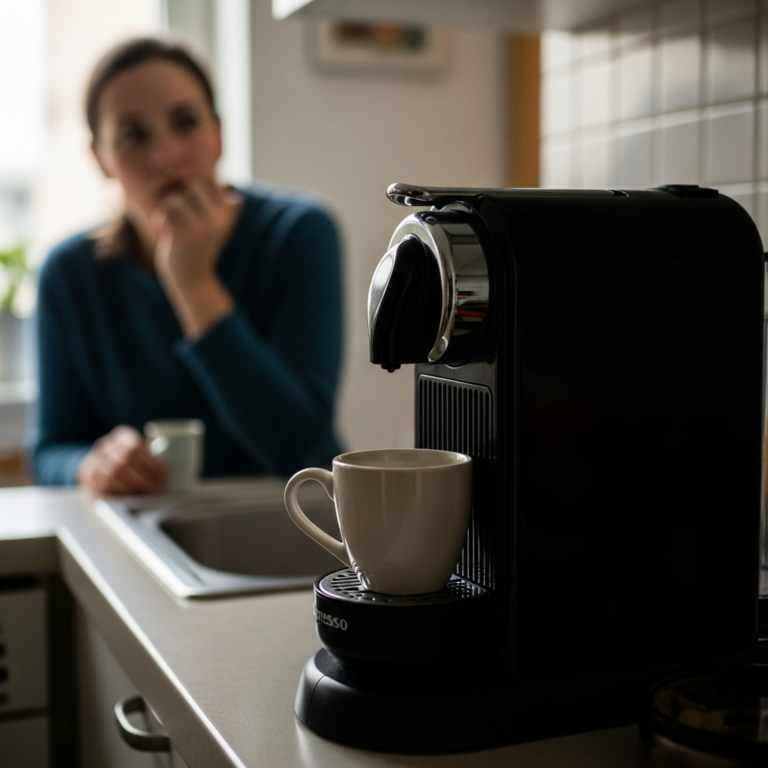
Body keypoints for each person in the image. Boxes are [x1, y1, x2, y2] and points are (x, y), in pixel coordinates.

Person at [31, 37, 343, 495]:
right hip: (147, 520)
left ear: (218, 134)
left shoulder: (297, 233)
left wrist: (192, 283)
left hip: (297, 514)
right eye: (134, 136)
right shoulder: (68, 274)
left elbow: (296, 447)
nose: (166, 156)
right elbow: (50, 450)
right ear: (101, 159)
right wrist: (92, 465)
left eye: (185, 123)